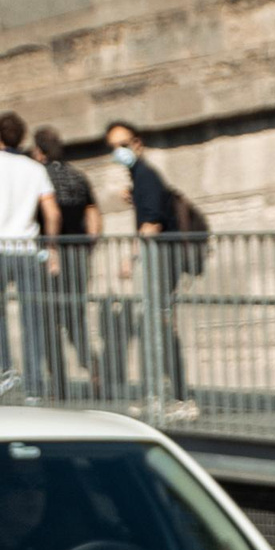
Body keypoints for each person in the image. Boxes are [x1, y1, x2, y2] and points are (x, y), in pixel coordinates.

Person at [101, 119, 197, 421]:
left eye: (123, 145)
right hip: (158, 260)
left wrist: (131, 257)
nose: (118, 151)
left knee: (161, 328)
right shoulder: (141, 177)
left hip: (160, 262)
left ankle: (178, 397)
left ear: (137, 144)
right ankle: (157, 394)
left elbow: (152, 223)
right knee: (155, 328)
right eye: (113, 147)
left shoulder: (146, 176)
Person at [0, 113, 57, 398]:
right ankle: (34, 386)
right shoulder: (35, 168)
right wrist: (51, 246)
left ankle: (6, 371)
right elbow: (52, 213)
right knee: (31, 318)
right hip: (27, 249)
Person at [33, 124, 99, 398]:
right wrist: (89, 246)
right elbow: (93, 213)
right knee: (75, 318)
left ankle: (58, 384)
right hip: (78, 255)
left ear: (39, 151)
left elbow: (50, 215)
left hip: (51, 257)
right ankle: (93, 367)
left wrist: (51, 248)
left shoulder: (40, 178)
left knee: (49, 321)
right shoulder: (78, 177)